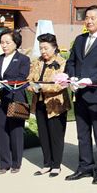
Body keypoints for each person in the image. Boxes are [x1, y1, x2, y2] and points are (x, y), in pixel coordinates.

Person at [65, 5, 97, 184]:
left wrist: (90, 80)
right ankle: (85, 166)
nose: (88, 21)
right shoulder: (80, 39)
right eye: (86, 17)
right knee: (82, 134)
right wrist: (72, 78)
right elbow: (71, 61)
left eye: (92, 18)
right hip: (80, 94)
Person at [26, 33, 71, 177]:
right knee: (44, 135)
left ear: (54, 47)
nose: (43, 51)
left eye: (46, 48)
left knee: (55, 135)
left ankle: (56, 165)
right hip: (39, 103)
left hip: (55, 104)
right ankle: (47, 163)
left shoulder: (62, 62)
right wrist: (33, 87)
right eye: (41, 48)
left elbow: (61, 85)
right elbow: (29, 80)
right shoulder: (37, 62)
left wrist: (43, 88)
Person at [0, 29, 30, 174]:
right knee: (1, 131)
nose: (4, 45)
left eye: (8, 42)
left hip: (16, 98)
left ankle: (16, 163)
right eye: (2, 42)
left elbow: (22, 77)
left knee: (16, 131)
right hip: (0, 98)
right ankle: (4, 163)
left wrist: (6, 82)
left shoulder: (23, 59)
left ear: (16, 43)